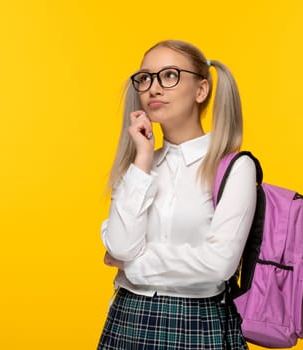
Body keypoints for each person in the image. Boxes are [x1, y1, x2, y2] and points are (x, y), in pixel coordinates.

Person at [98, 39, 257, 349]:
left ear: (201, 90)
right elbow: (120, 244)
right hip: (128, 317)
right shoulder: (139, 167)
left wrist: (134, 266)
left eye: (169, 75)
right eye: (145, 78)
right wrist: (142, 158)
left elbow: (218, 265)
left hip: (197, 322)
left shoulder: (234, 168)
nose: (153, 89)